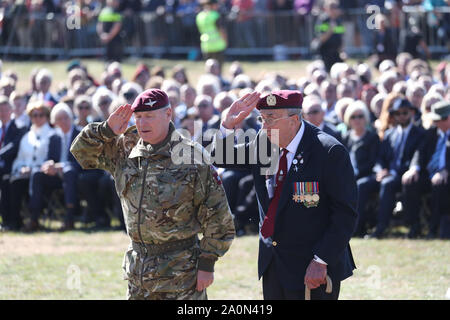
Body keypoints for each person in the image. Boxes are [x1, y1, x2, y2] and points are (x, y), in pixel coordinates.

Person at [70, 88, 235, 300]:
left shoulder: (191, 157)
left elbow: (218, 216)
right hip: (139, 272)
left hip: (181, 274)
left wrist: (207, 263)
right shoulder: (125, 149)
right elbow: (81, 152)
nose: (142, 123)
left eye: (149, 116)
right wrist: (106, 130)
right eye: (138, 117)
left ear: (168, 114)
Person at [212, 90, 357, 300]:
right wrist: (227, 125)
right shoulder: (264, 144)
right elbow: (220, 156)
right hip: (274, 262)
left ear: (294, 119)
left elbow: (345, 215)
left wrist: (321, 260)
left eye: (271, 119)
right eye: (262, 119)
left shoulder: (328, 152)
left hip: (313, 267)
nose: (264, 126)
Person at [359, 97, 425, 239]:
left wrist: (392, 173)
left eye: (404, 113)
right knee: (361, 184)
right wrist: (380, 170)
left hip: (404, 175)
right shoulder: (389, 134)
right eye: (397, 113)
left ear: (412, 113)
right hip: (386, 174)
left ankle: (381, 228)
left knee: (387, 184)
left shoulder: (420, 134)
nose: (401, 116)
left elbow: (418, 157)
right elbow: (380, 158)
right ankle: (358, 227)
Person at [9, 101, 61, 232]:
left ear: (47, 116)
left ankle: (34, 219)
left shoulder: (53, 134)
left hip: (43, 175)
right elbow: (19, 159)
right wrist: (21, 168)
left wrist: (32, 169)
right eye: (34, 115)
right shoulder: (26, 137)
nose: (37, 118)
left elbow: (52, 160)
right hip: (26, 174)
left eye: (41, 115)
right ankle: (15, 221)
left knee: (36, 177)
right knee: (13, 182)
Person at [28, 103, 81, 231]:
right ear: (54, 122)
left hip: (74, 174)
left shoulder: (79, 134)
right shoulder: (54, 137)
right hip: (56, 176)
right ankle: (34, 218)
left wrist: (60, 167)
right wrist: (48, 166)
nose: (62, 121)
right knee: (37, 174)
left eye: (65, 118)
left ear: (70, 118)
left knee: (68, 171)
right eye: (58, 119)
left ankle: (69, 218)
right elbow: (48, 158)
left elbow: (81, 161)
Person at [402, 101, 450, 239]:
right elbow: (419, 152)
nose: (437, 123)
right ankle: (414, 225)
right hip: (429, 174)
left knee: (439, 185)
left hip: (445, 177)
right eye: (435, 120)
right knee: (410, 182)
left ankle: (434, 228)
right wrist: (414, 168)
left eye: (441, 119)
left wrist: (446, 170)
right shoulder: (430, 134)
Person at [341, 101, 380, 236]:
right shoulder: (345, 137)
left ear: (366, 118)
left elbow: (373, 161)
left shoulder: (372, 137)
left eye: (360, 116)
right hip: (346, 176)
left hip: (365, 176)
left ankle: (357, 228)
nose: (357, 120)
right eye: (353, 117)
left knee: (360, 186)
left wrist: (356, 172)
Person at [0, 96, 28, 231]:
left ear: (11, 110)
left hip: (11, 167)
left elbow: (13, 147)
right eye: (0, 110)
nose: (2, 112)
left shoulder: (19, 127)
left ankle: (9, 221)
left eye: (5, 109)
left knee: (6, 183)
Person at [314, 0, 345, 72]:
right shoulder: (322, 20)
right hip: (324, 53)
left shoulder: (339, 21)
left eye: (335, 7)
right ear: (326, 8)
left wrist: (342, 52)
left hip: (336, 53)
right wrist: (330, 30)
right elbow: (321, 38)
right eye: (332, 8)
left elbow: (341, 37)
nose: (334, 10)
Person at [196, 0, 227, 66]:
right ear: (212, 5)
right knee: (218, 69)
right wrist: (226, 41)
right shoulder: (215, 15)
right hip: (218, 45)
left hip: (206, 45)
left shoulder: (199, 16)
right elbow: (221, 30)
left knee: (209, 69)